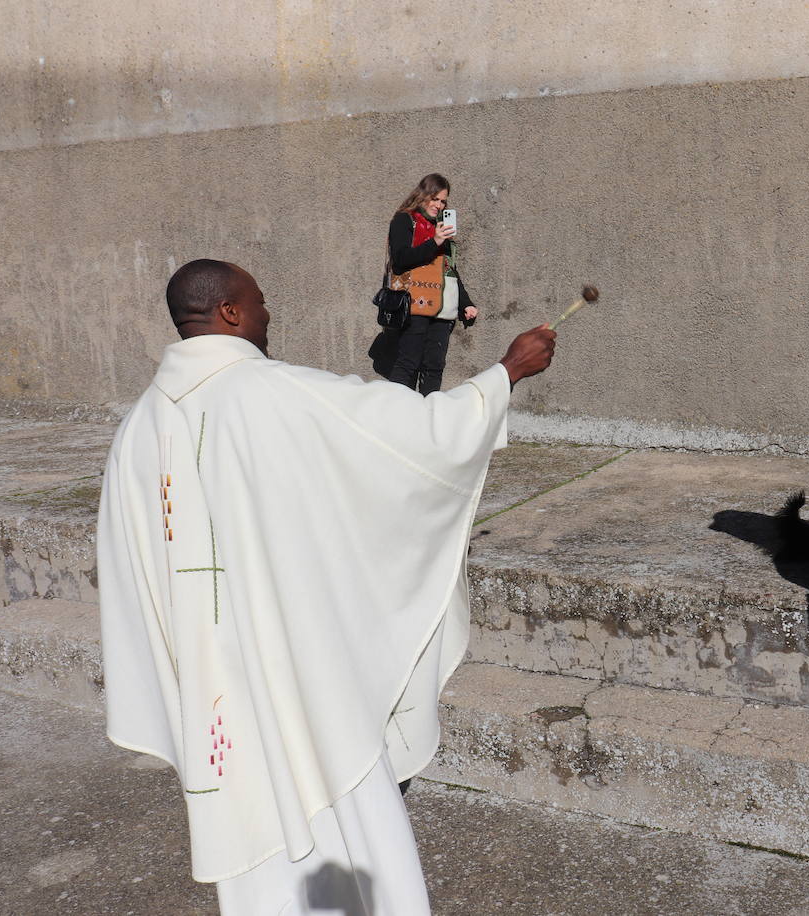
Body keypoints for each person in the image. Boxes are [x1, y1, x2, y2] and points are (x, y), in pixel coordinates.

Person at [97, 259, 556, 915]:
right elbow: (411, 441)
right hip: (305, 683)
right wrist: (507, 372)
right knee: (357, 849)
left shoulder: (136, 430)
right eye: (259, 302)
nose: (268, 314)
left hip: (216, 695)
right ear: (229, 312)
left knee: (263, 865)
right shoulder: (270, 392)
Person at [386, 173, 479, 393]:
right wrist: (434, 241)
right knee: (408, 363)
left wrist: (465, 303)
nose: (438, 205)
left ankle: (430, 417)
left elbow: (449, 269)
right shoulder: (404, 220)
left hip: (442, 308)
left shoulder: (440, 227)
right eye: (434, 198)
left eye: (443, 201)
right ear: (423, 195)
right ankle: (394, 415)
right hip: (414, 304)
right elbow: (400, 260)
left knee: (435, 366)